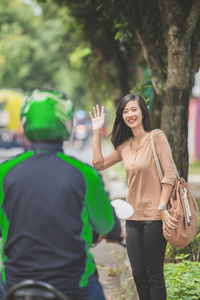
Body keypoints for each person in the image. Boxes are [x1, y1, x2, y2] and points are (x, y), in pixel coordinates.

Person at [0, 88, 125, 300]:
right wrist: (115, 233)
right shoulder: (84, 174)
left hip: (15, 282)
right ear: (67, 125)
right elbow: (105, 225)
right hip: (74, 286)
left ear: (25, 124)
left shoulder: (5, 172)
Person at [89, 94, 178, 300]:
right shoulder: (124, 145)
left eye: (134, 109)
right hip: (133, 217)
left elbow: (170, 173)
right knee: (138, 275)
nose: (130, 114)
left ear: (142, 112)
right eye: (125, 111)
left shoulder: (156, 137)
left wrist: (163, 208)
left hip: (156, 216)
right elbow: (98, 164)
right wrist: (96, 131)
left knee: (153, 274)